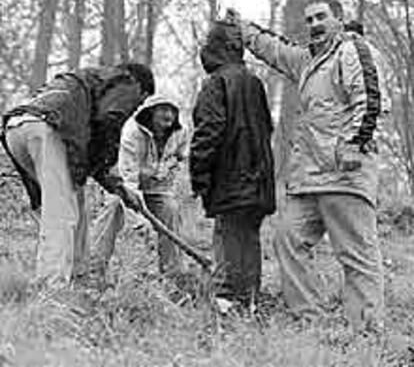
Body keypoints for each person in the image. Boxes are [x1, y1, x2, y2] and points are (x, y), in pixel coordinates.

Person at [228, 0, 390, 330]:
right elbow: (275, 49)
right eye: (310, 19)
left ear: (339, 20)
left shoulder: (353, 51)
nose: (314, 24)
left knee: (356, 255)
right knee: (287, 240)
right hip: (307, 180)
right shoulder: (307, 61)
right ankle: (311, 321)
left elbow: (371, 100)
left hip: (345, 177)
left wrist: (353, 148)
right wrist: (241, 27)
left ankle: (366, 332)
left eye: (321, 17)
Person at [1, 63, 154, 289]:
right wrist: (112, 170)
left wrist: (118, 186)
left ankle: (78, 278)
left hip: (17, 129)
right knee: (61, 213)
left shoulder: (94, 82)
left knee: (75, 202)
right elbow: (109, 120)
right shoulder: (127, 82)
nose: (135, 108)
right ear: (141, 88)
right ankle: (52, 287)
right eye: (140, 102)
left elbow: (93, 146)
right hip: (49, 127)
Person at [190, 20, 275, 313]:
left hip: (230, 180)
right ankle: (248, 302)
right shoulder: (254, 82)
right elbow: (268, 129)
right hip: (260, 181)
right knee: (249, 239)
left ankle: (226, 305)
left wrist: (199, 175)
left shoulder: (216, 83)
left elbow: (208, 132)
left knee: (227, 237)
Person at [90, 94, 188, 282]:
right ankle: (94, 269)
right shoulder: (132, 132)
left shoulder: (181, 133)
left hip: (157, 187)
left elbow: (180, 158)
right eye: (162, 109)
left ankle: (173, 275)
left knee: (171, 209)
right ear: (151, 112)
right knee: (112, 209)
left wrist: (168, 175)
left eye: (172, 110)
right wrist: (138, 221)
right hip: (123, 183)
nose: (168, 115)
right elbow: (128, 179)